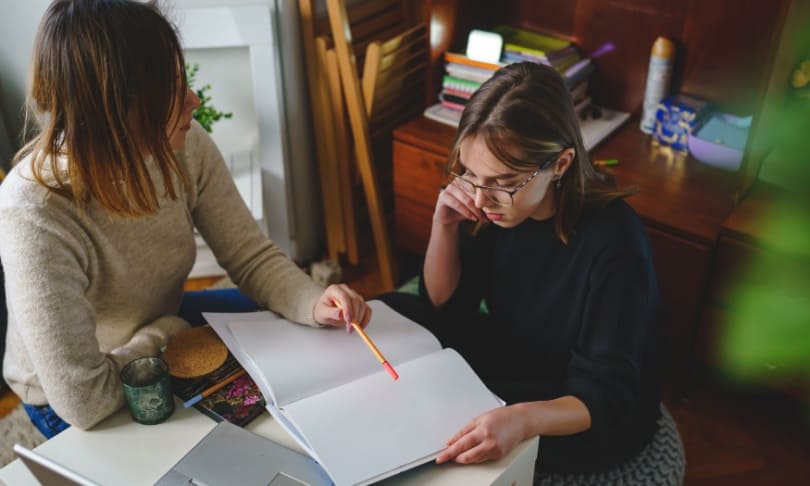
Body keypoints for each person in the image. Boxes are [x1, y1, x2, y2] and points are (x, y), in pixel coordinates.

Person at [0, 0, 370, 439]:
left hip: (159, 323)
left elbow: (250, 256)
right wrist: (166, 334)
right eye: (171, 91)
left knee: (291, 337)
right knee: (213, 449)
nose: (193, 100)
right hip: (78, 391)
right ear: (118, 111)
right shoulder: (33, 213)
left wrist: (313, 302)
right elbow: (85, 399)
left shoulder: (185, 143)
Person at [379, 62, 684, 482]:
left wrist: (521, 420)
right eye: (469, 172)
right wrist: (443, 226)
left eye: (504, 181)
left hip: (580, 403)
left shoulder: (615, 243)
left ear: (560, 164)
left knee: (448, 428)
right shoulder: (489, 203)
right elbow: (445, 306)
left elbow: (605, 393)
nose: (482, 198)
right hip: (520, 351)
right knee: (392, 314)